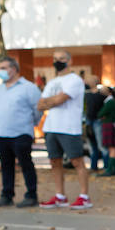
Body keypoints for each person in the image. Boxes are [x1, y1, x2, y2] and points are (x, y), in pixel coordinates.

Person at [37, 50, 93, 210]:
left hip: (69, 127)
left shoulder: (75, 80)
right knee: (55, 162)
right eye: (55, 59)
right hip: (51, 127)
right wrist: (53, 100)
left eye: (61, 59)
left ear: (69, 61)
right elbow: (40, 104)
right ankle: (60, 196)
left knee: (77, 162)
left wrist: (52, 101)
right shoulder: (52, 82)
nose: (58, 61)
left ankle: (84, 196)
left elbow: (62, 99)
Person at [0, 56, 42, 207]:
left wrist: (31, 124)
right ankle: (7, 194)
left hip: (21, 132)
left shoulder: (29, 87)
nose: (1, 71)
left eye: (4, 68)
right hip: (1, 133)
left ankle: (31, 195)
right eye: (0, 68)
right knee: (6, 165)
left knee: (26, 164)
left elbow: (37, 109)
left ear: (14, 69)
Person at [95, 85, 115, 177]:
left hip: (109, 125)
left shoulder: (110, 102)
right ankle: (113, 169)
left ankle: (111, 169)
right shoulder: (112, 101)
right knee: (112, 148)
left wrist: (102, 116)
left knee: (111, 148)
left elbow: (100, 113)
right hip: (111, 125)